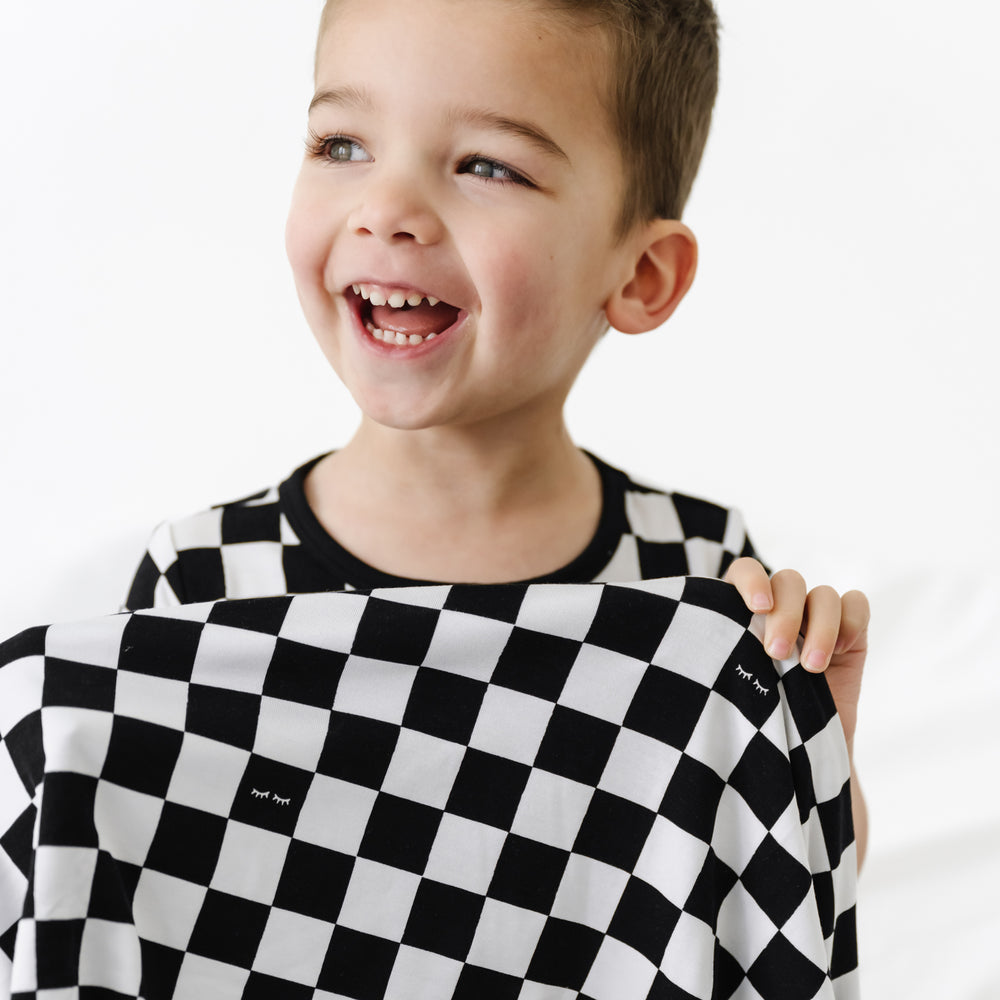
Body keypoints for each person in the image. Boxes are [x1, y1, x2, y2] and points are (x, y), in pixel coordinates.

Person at [67, 0, 866, 993]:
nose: (387, 206)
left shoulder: (695, 575)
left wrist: (809, 751)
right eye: (342, 142)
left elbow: (752, 912)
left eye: (487, 165)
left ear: (642, 273)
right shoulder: (209, 579)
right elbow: (132, 907)